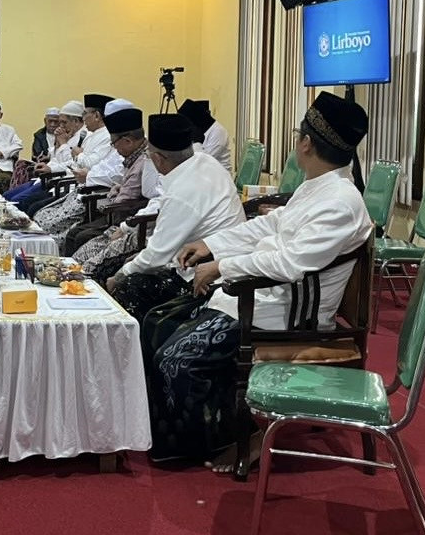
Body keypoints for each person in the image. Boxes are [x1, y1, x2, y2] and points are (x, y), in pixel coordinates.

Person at [140, 92, 372, 468]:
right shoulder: (318, 186)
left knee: (176, 358)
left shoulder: (341, 202)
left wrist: (222, 266)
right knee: (156, 323)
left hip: (287, 314)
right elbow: (270, 224)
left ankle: (214, 439)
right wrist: (210, 245)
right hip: (259, 297)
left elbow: (289, 263)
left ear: (306, 142)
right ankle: (195, 427)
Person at [104, 114, 244, 320]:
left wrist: (119, 276)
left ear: (158, 159)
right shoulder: (205, 162)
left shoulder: (184, 191)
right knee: (130, 264)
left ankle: (136, 350)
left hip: (208, 277)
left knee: (128, 286)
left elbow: (157, 256)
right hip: (211, 259)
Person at [33, 98, 136, 236]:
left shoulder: (118, 140)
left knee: (47, 221)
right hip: (83, 187)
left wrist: (86, 169)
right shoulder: (93, 136)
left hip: (97, 195)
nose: (83, 119)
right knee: (40, 215)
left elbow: (110, 171)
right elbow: (98, 165)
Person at [61, 103, 153, 254]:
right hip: (115, 209)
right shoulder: (132, 154)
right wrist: (120, 186)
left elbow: (141, 197)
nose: (114, 148)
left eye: (114, 144)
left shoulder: (146, 159)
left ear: (128, 141)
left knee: (79, 236)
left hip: (126, 218)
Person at [179, 99, 232, 172]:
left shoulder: (218, 132)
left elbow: (203, 161)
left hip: (217, 177)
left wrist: (196, 142)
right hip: (200, 173)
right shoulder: (197, 131)